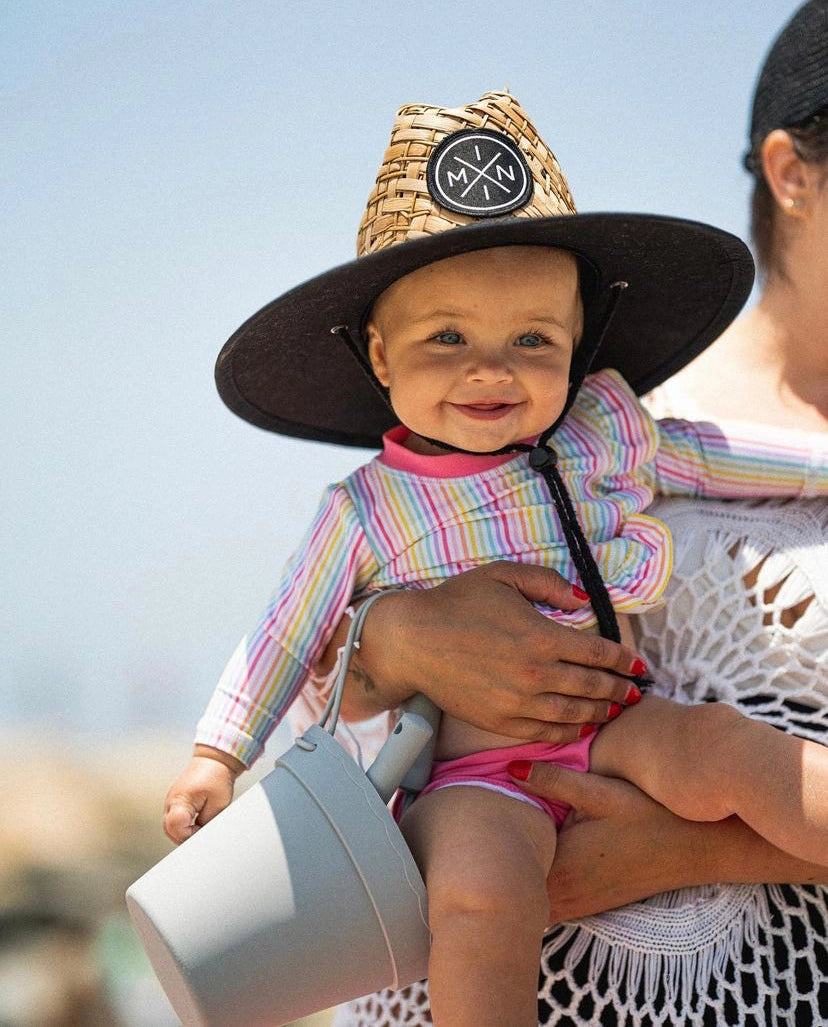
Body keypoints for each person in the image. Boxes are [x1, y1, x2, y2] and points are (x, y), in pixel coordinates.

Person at [163, 86, 828, 1024]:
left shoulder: (601, 437)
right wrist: (215, 753)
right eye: (448, 339)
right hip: (476, 771)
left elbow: (717, 457)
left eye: (532, 339)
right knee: (480, 895)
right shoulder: (363, 509)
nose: (493, 367)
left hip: (624, 717)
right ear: (381, 355)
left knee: (730, 749)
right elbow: (284, 634)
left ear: (575, 349)